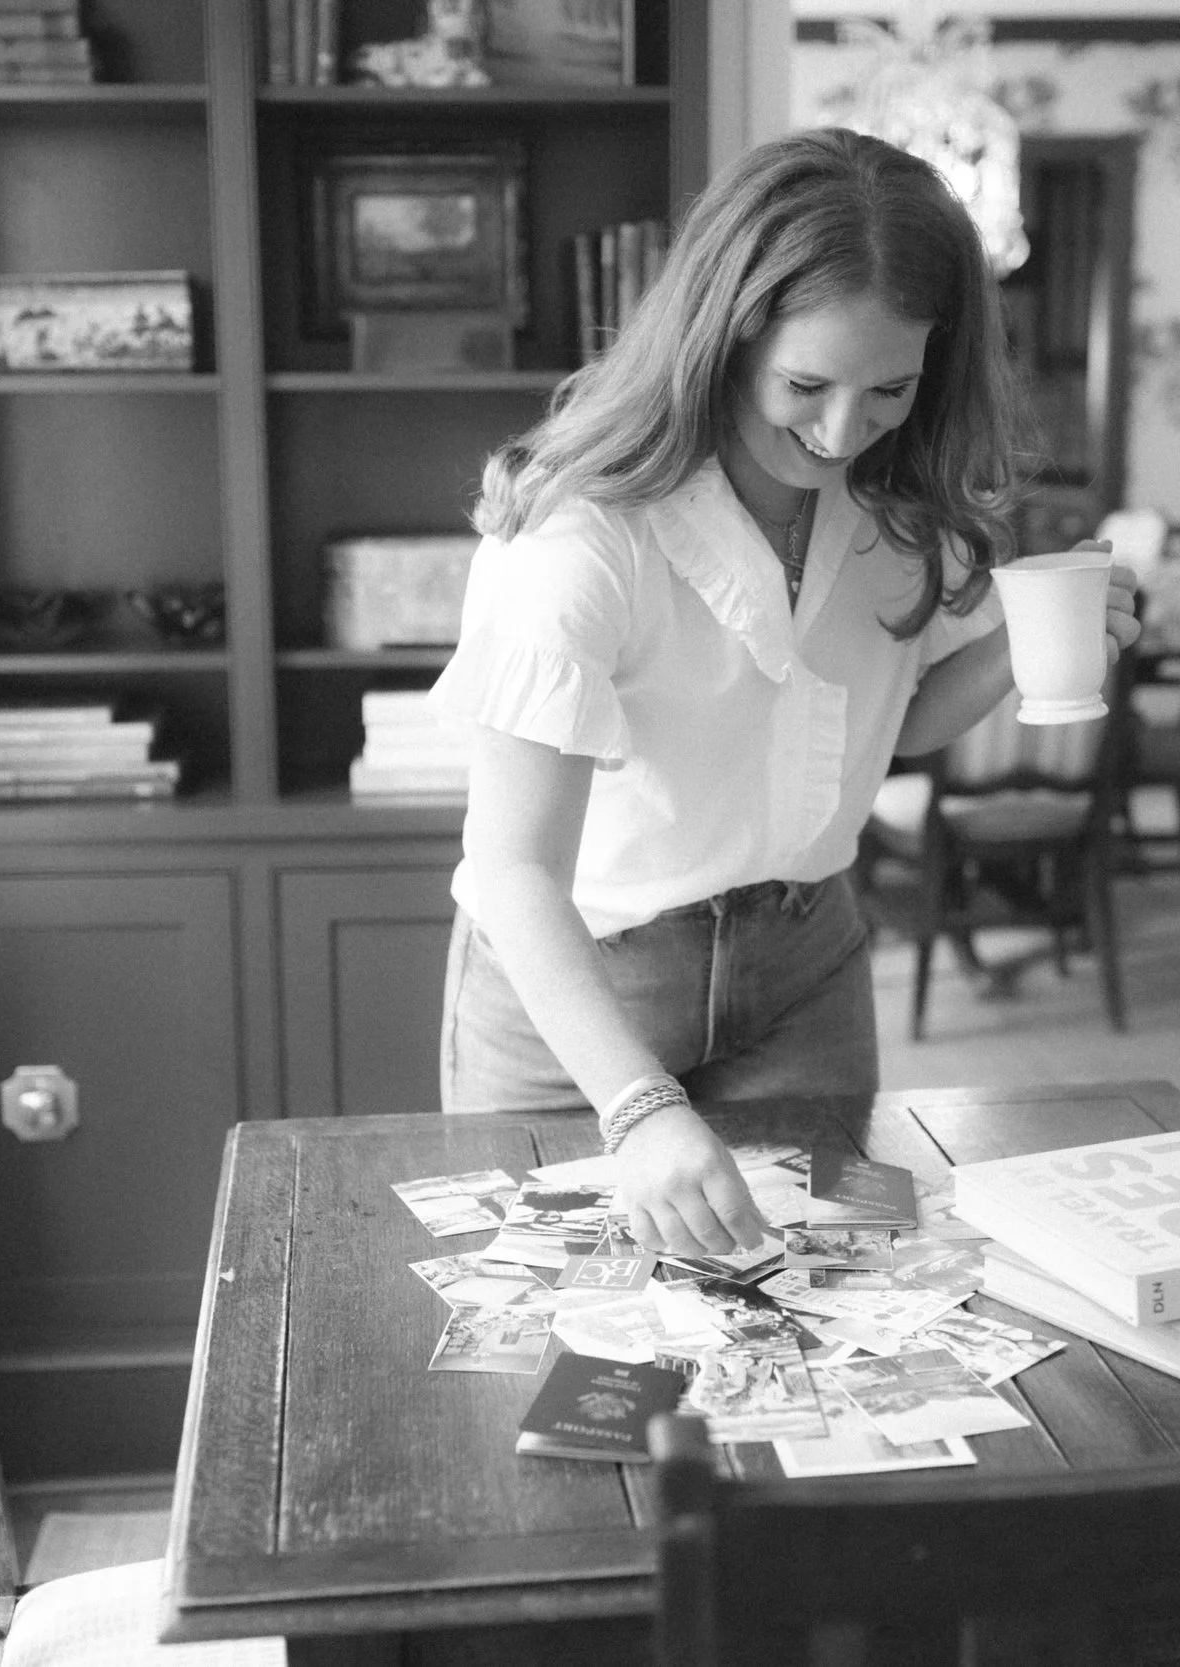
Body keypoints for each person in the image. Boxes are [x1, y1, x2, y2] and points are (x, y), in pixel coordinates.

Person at [429, 128, 1142, 1255]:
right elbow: (511, 868)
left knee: (812, 1321)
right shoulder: (586, 530)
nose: (841, 430)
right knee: (573, 1360)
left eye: (890, 388)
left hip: (806, 962)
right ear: (724, 336)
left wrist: (1019, 645)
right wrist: (640, 1105)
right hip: (586, 993)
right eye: (804, 384)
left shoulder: (901, 504)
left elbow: (887, 730)